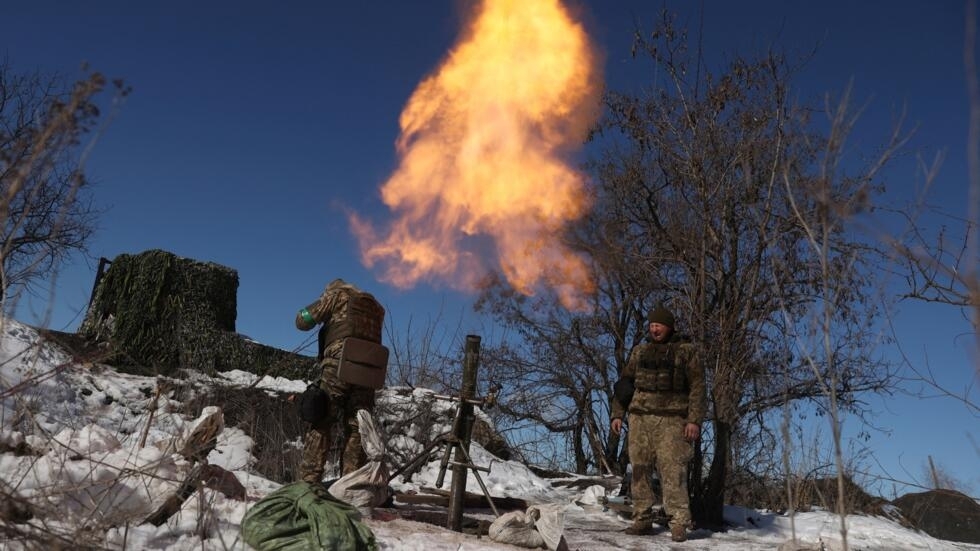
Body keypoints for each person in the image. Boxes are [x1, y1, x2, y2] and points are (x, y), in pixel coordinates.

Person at [610, 303, 707, 542]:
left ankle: (678, 523)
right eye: (652, 325)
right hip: (640, 418)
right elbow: (625, 385)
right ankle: (641, 518)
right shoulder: (639, 352)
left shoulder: (687, 352)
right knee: (640, 469)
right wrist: (617, 414)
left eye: (659, 325)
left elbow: (697, 388)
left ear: (669, 327)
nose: (654, 329)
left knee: (673, 471)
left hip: (673, 420)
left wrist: (694, 420)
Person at [295, 278, 385, 483]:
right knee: (357, 426)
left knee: (322, 417)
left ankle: (309, 483)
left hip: (339, 362)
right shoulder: (377, 308)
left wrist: (317, 306)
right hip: (370, 370)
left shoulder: (337, 296)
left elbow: (302, 321)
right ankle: (350, 483)